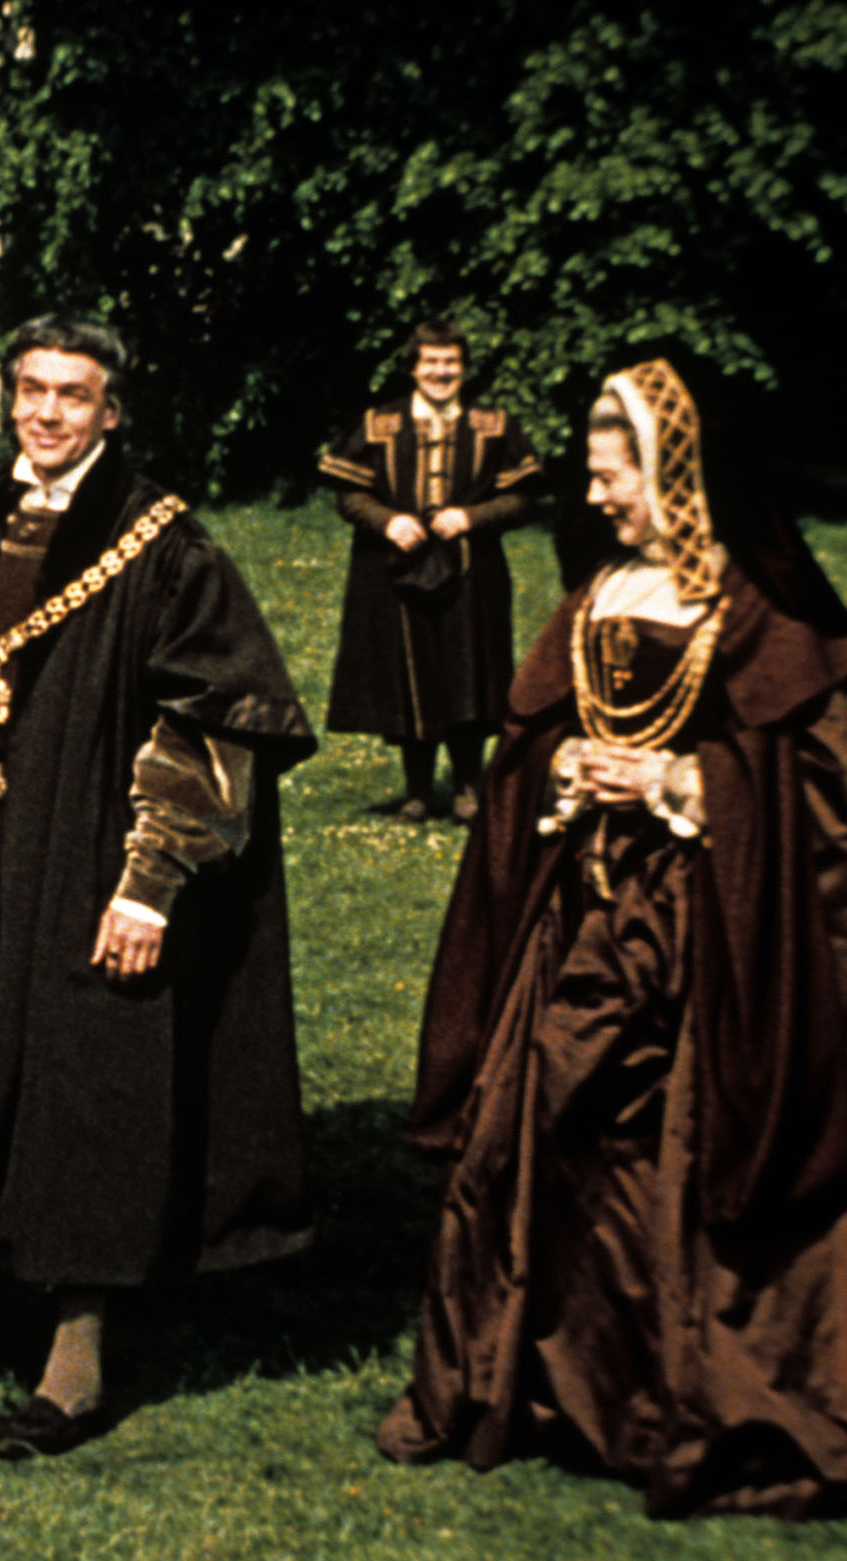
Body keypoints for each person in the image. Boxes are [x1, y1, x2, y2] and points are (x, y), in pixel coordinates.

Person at [378, 359, 847, 1518]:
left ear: (680, 473)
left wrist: (689, 780)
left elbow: (821, 778)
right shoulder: (602, 594)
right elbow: (529, 742)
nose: (595, 500)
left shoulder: (762, 609)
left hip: (709, 931)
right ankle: (549, 1382)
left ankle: (682, 1400)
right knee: (546, 1125)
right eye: (591, 479)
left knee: (680, 1154)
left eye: (614, 478)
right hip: (581, 910)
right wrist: (566, 766)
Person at [0, 314, 315, 1458]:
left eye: (73, 395)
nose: (47, 412)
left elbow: (212, 722)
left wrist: (149, 883)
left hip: (89, 848)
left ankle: (77, 1357)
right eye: (31, 389)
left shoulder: (162, 545)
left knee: (84, 1073)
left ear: (112, 412)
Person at [318, 320, 543, 821]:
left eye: (451, 362)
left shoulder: (492, 424)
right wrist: (388, 521)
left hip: (472, 572)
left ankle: (467, 787)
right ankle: (418, 790)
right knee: (407, 673)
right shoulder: (379, 423)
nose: (441, 372)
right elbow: (349, 493)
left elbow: (523, 497)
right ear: (414, 367)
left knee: (469, 672)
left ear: (464, 367)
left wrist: (471, 517)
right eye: (432, 362)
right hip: (394, 572)